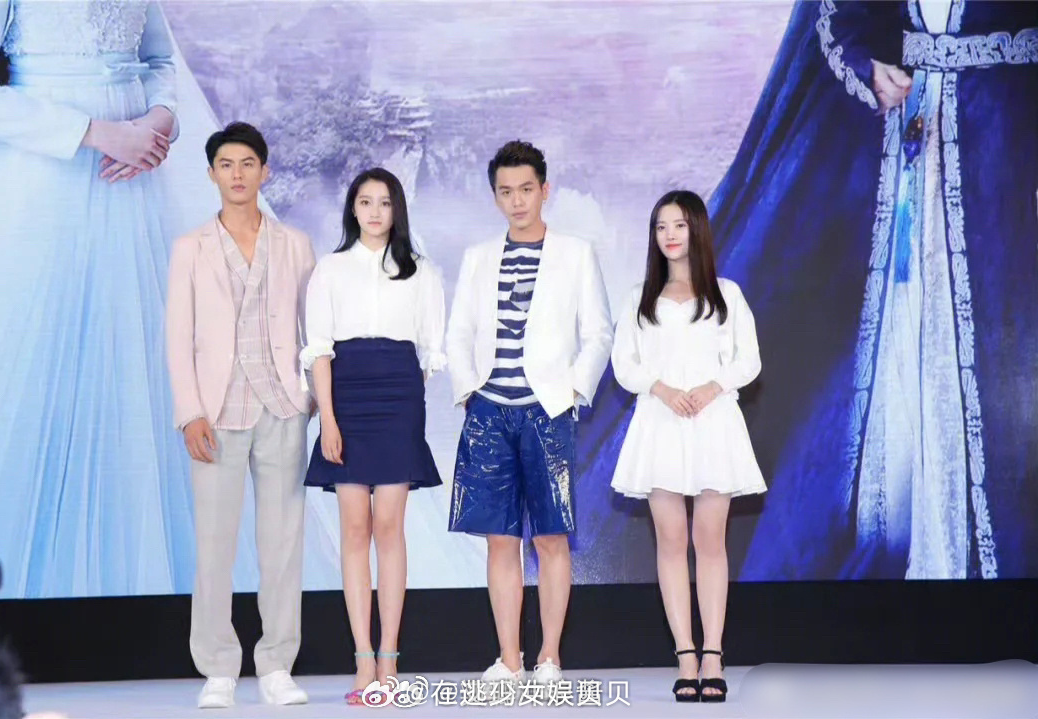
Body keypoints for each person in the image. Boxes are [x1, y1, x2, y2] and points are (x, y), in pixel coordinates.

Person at [704, 0, 1038, 580]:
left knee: (997, 338)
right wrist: (870, 66)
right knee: (913, 316)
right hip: (913, 145)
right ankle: (908, 526)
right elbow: (841, 15)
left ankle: (983, 545)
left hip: (1002, 147)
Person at [0, 0, 200, 599]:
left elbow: (159, 59)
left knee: (138, 371)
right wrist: (96, 133)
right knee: (28, 372)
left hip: (136, 185)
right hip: (38, 179)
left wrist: (160, 120)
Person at [446, 140, 613, 685]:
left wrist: (571, 392)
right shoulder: (477, 257)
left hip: (548, 411)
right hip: (490, 411)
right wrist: (471, 393)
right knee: (500, 538)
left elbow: (599, 333)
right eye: (505, 192)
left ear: (545, 190)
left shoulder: (575, 253)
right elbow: (459, 332)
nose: (516, 201)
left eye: (525, 189)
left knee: (550, 536)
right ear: (495, 196)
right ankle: (510, 659)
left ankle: (549, 658)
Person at [165, 122, 314, 708]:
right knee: (214, 543)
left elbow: (313, 332)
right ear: (211, 174)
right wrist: (189, 412)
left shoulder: (294, 244)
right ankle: (219, 667)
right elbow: (178, 337)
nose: (237, 174)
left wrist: (311, 400)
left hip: (283, 407)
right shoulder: (191, 247)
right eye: (226, 164)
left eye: (248, 163)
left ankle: (276, 664)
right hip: (217, 411)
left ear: (264, 172)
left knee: (283, 543)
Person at [610, 190, 765, 702]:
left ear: (697, 229)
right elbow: (625, 365)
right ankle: (685, 655)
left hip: (714, 423)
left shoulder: (727, 294)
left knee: (710, 540)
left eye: (678, 225)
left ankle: (714, 653)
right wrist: (661, 389)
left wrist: (713, 387)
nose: (670, 235)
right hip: (660, 424)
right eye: (661, 226)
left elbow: (749, 361)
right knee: (671, 541)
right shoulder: (640, 298)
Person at [299, 167, 445, 704]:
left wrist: (405, 398)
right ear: (353, 209)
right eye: (365, 202)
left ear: (397, 209)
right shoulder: (330, 269)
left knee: (389, 525)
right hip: (347, 398)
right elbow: (319, 350)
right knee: (355, 528)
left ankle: (390, 658)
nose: (375, 211)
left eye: (385, 202)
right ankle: (362, 659)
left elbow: (429, 351)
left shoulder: (422, 272)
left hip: (399, 398)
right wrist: (329, 420)